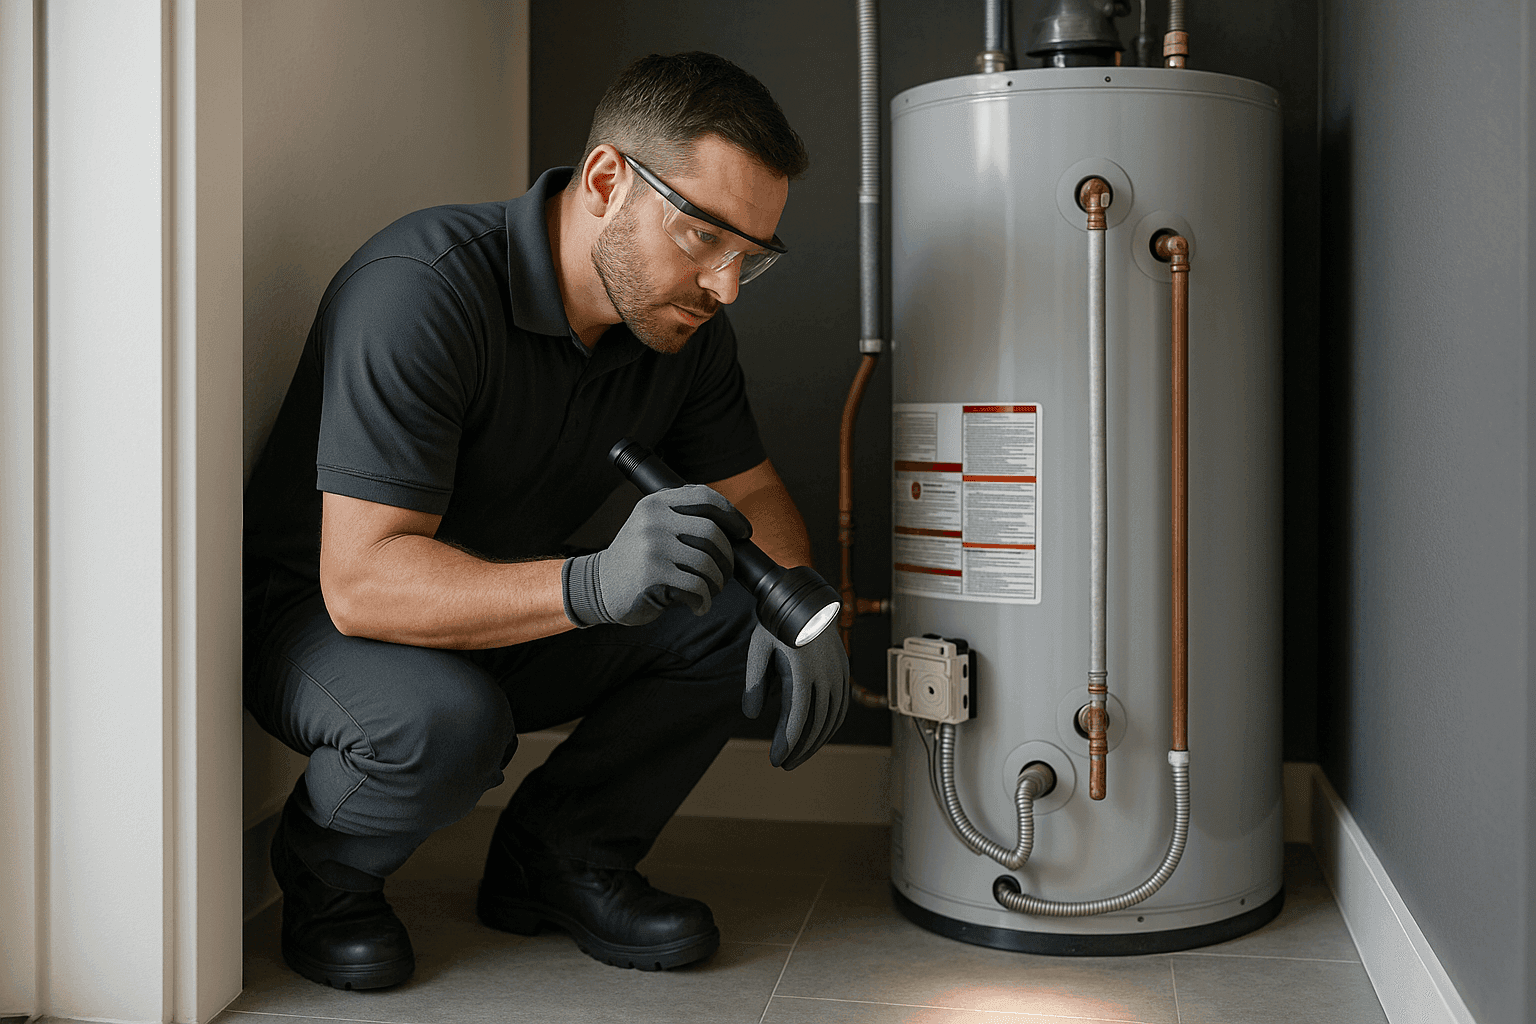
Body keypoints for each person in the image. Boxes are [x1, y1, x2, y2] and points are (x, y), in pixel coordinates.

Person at [243, 51, 850, 991]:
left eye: (752, 258)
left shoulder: (681, 328)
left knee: (734, 608)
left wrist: (796, 597)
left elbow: (755, 493)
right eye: (703, 236)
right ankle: (325, 879)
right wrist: (596, 583)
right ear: (608, 180)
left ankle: (559, 859)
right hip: (323, 622)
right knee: (445, 722)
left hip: (509, 607)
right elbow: (361, 581)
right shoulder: (424, 287)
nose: (726, 286)